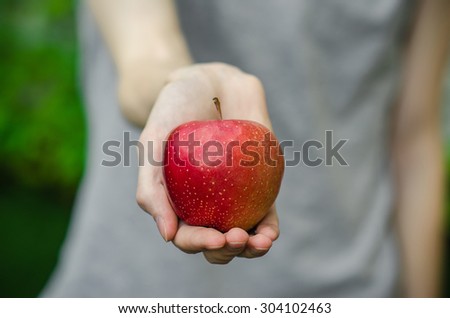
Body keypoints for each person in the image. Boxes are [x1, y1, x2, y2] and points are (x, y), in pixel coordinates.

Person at [42, 0, 450, 297]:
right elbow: (144, 57)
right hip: (134, 286)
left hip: (348, 287)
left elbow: (413, 138)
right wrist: (179, 81)